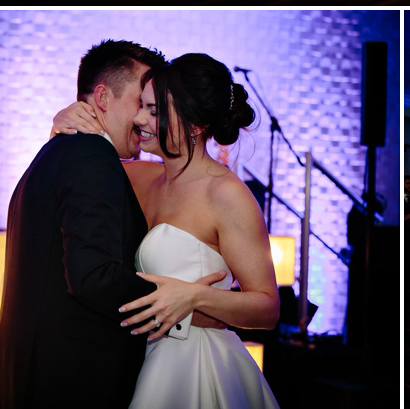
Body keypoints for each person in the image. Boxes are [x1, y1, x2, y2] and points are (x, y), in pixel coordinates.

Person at [49, 52, 280, 409]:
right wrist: (60, 126)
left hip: (198, 367)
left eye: (155, 111)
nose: (140, 118)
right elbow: (71, 178)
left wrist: (195, 297)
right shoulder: (136, 176)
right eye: (142, 105)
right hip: (137, 360)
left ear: (195, 125)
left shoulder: (227, 195)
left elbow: (267, 308)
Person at [0, 40, 171, 409]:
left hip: (29, 376)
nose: (148, 117)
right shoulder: (91, 156)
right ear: (103, 97)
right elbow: (93, 277)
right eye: (142, 102)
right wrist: (176, 304)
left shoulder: (56, 152)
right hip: (70, 381)